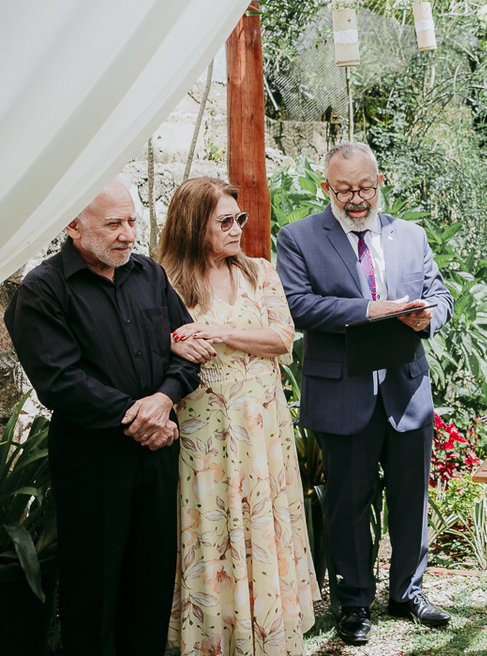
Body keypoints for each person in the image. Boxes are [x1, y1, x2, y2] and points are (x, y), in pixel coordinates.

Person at [4, 180, 200, 656]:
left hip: (156, 457)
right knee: (93, 591)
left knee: (150, 585)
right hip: (93, 460)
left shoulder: (150, 275)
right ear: (72, 226)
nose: (129, 234)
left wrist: (164, 397)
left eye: (132, 221)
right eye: (113, 224)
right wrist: (145, 416)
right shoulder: (42, 290)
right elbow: (61, 381)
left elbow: (188, 346)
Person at [275, 142, 454, 645]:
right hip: (342, 393)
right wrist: (370, 309)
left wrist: (428, 317)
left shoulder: (411, 235)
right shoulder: (298, 237)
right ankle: (353, 603)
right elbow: (298, 306)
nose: (357, 199)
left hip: (406, 389)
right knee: (347, 503)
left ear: (380, 183)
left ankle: (409, 592)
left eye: (365, 188)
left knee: (410, 497)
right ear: (326, 186)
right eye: (344, 189)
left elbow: (440, 295)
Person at [157, 177, 317, 656]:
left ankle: (268, 629)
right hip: (202, 426)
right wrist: (177, 338)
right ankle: (214, 636)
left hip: (261, 425)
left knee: (263, 520)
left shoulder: (258, 272)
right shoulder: (163, 280)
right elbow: (159, 342)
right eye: (223, 221)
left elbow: (281, 338)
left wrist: (213, 331)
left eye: (239, 219)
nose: (236, 229)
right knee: (210, 522)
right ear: (192, 226)